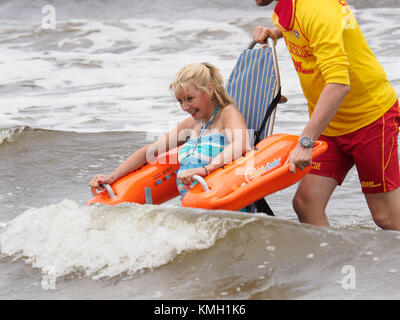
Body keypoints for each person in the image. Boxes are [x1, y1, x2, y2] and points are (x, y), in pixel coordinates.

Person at [252, 0, 400, 230]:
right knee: (306, 203)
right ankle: (337, 265)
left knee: (386, 218)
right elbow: (301, 25)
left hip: (369, 118)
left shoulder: (318, 7)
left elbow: (339, 84)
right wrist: (276, 32)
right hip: (330, 124)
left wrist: (306, 142)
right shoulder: (287, 7)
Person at [89, 62, 250, 199]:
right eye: (180, 101)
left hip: (223, 199)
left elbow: (241, 144)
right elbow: (150, 151)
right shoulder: (192, 124)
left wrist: (206, 169)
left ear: (209, 89)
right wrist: (113, 176)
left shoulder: (227, 114)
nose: (184, 107)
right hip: (195, 204)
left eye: (189, 99)